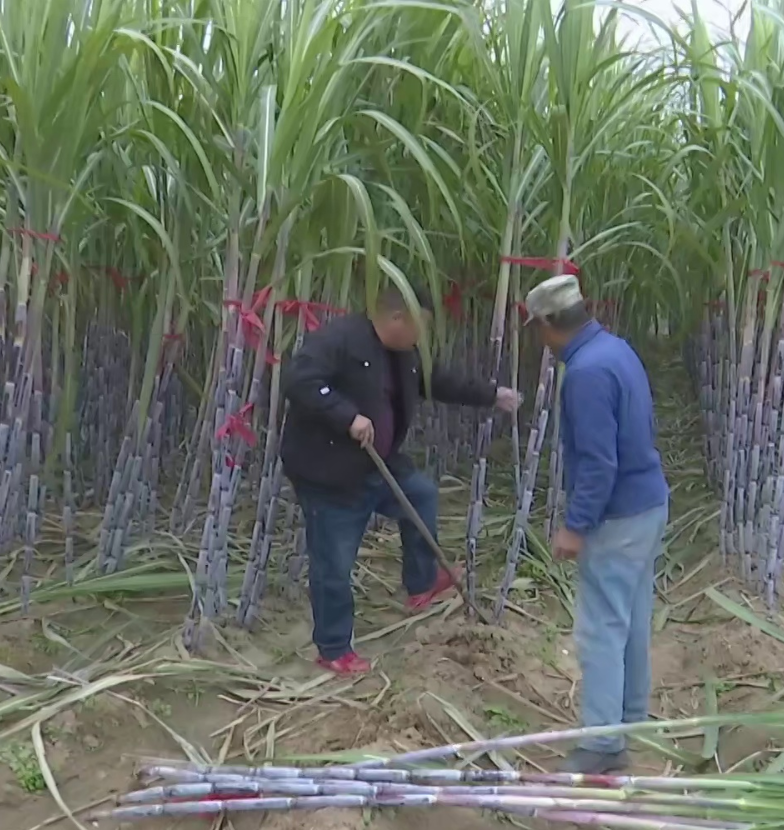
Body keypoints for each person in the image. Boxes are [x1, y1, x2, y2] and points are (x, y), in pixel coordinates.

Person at [281, 286, 520, 676]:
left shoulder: (403, 353)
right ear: (396, 318)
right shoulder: (338, 340)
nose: (421, 337)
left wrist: (491, 395)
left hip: (379, 465)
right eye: (419, 326)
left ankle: (421, 582)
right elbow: (300, 380)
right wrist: (346, 416)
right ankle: (334, 647)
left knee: (421, 495)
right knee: (334, 565)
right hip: (332, 475)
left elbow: (437, 380)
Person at [524, 274, 669, 775]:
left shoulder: (585, 372)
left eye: (536, 329)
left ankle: (603, 744)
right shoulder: (616, 350)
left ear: (548, 323)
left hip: (618, 517)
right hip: (648, 504)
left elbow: (598, 462)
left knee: (601, 628)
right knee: (631, 618)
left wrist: (576, 524)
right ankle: (628, 719)